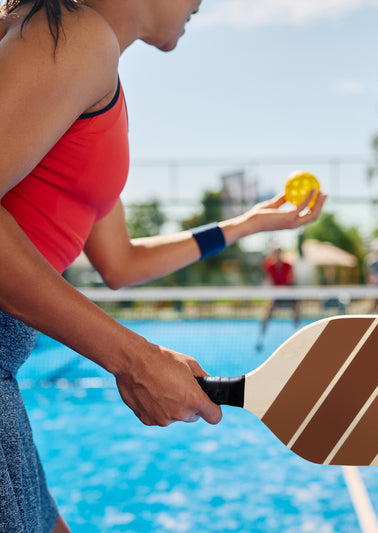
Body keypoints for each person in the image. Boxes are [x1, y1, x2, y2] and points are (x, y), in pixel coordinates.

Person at [0, 2, 327, 531]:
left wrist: (244, 225)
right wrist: (132, 358)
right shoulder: (77, 36)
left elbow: (120, 263)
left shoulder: (94, 70)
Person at [256, 246, 300, 351]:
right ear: (273, 254)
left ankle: (298, 334)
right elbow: (268, 276)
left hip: (288, 292)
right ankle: (261, 338)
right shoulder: (269, 266)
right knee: (267, 313)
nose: (277, 255)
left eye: (279, 253)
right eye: (275, 253)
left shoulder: (288, 265)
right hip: (277, 294)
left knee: (296, 309)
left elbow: (292, 278)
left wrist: (286, 289)